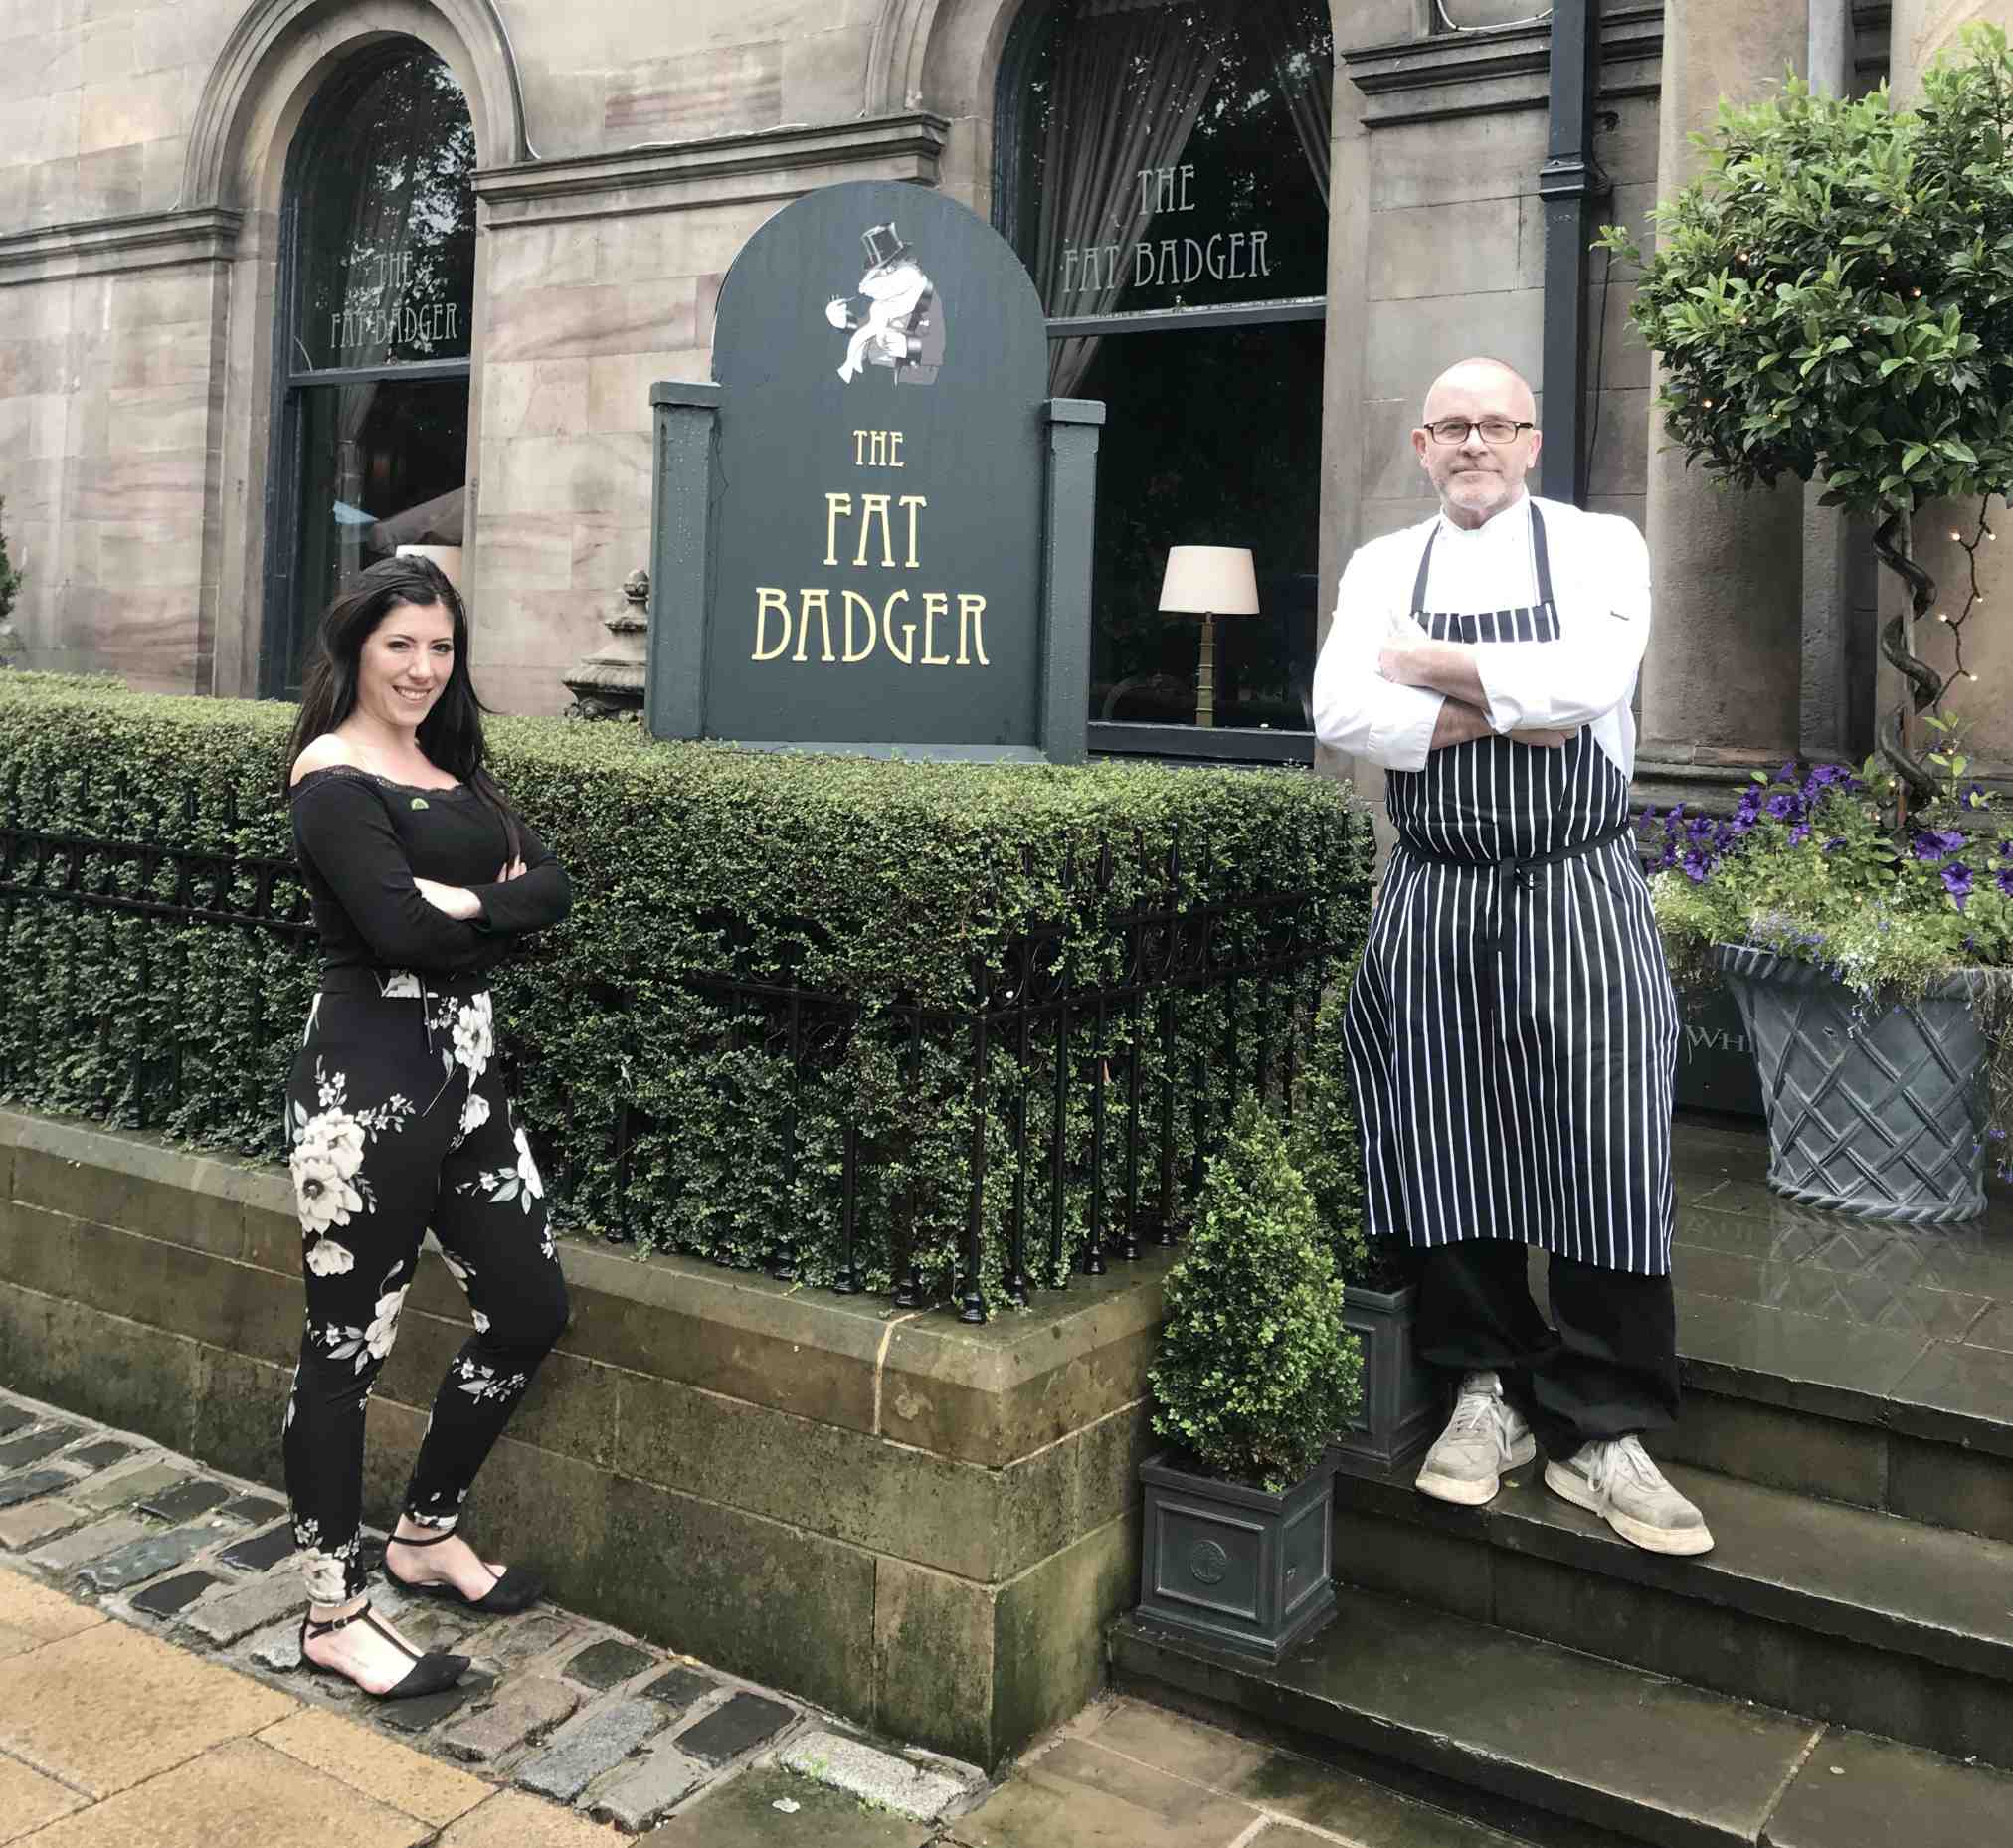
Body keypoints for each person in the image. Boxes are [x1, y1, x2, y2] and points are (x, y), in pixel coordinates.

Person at [1312, 357, 1711, 1557]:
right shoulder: (1383, 564)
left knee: (1605, 1137)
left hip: (1577, 888)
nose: (1472, 443)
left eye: (1495, 425)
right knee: (1445, 1133)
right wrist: (1508, 700)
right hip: (1433, 889)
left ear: (1531, 442)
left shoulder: (1597, 547)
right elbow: (1336, 709)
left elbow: (1591, 684)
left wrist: (1424, 667)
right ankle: (1484, 1391)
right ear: (1421, 448)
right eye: (1449, 427)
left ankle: (1603, 1428)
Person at [281, 554, 575, 1697]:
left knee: (528, 1307)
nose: (421, 666)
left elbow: (550, 886)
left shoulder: (446, 765)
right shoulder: (332, 775)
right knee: (344, 1349)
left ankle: (423, 1533)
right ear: (357, 645)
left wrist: (468, 904)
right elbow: (399, 935)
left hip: (469, 1084)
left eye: (439, 647)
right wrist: (468, 907)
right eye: (400, 643)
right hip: (367, 1092)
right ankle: (331, 1611)